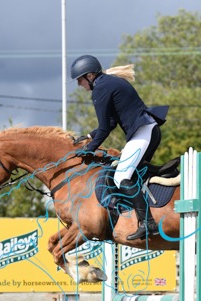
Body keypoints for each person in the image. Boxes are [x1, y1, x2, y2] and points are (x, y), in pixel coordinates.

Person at [70, 54, 169, 240]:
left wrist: (89, 150)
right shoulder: (108, 82)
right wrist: (90, 136)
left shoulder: (100, 89)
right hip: (148, 130)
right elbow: (111, 122)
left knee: (121, 176)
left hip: (142, 133)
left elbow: (105, 128)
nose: (79, 84)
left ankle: (148, 223)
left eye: (80, 79)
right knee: (131, 173)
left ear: (90, 76)